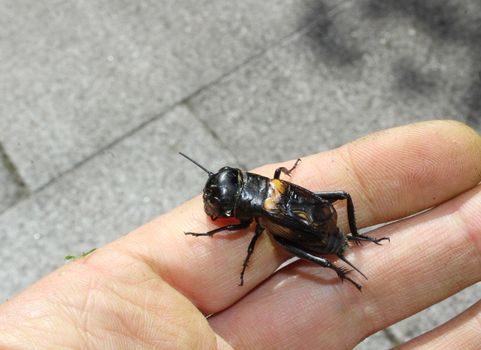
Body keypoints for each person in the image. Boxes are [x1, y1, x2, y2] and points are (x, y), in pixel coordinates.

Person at [0, 120, 480, 349]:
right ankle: (348, 251)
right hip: (311, 217)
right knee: (312, 219)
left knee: (285, 245)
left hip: (314, 233)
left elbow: (247, 234)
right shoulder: (270, 183)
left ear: (244, 200)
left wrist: (212, 237)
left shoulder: (257, 214)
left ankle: (341, 260)